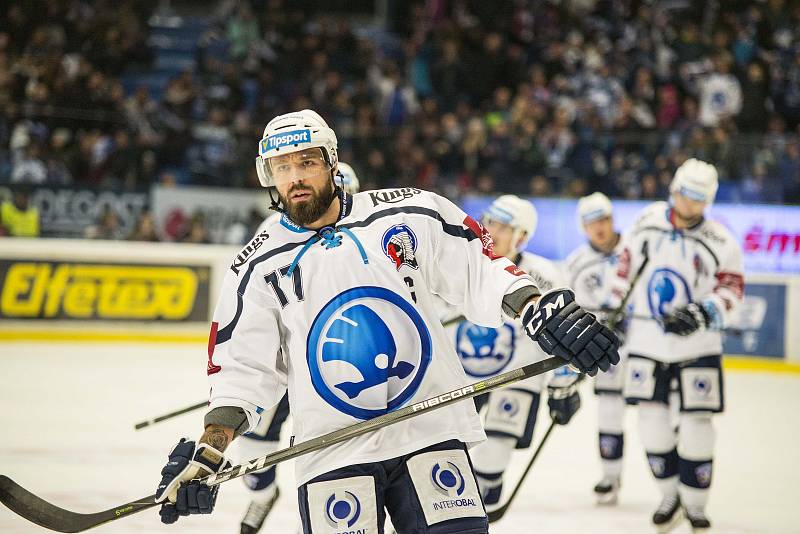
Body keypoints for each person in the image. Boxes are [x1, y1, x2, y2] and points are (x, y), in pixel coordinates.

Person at [153, 109, 619, 534]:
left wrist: (537, 307)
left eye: (307, 162)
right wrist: (210, 451)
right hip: (332, 449)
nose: (295, 178)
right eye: (282, 167)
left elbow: (480, 269)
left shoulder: (408, 212)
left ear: (333, 163)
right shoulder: (256, 265)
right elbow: (242, 370)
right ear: (267, 175)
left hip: (429, 431)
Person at [612, 159, 744, 532]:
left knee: (697, 426)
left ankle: (696, 502)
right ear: (674, 190)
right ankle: (669, 495)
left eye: (700, 199)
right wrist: (615, 307)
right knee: (651, 423)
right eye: (686, 195)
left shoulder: (721, 240)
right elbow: (623, 270)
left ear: (709, 201)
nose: (691, 205)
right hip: (647, 343)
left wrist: (704, 312)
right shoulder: (646, 222)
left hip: (698, 347)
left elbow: (732, 289)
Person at [237, 160, 361, 534]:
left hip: (336, 363)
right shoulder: (271, 234)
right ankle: (262, 496)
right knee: (253, 453)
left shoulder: (365, 229)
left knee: (338, 451)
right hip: (283, 362)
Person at [440, 195, 581, 513]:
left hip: (516, 377)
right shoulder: (459, 262)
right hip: (459, 379)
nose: (493, 231)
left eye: (505, 227)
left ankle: (477, 515)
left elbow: (560, 332)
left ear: (524, 236)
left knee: (495, 453)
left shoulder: (544, 276)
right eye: (491, 222)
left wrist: (563, 382)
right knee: (446, 454)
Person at [564, 192, 628, 505]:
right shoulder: (576, 263)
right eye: (591, 223)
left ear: (612, 219)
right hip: (607, 351)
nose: (599, 228)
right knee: (609, 411)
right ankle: (610, 476)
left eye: (603, 219)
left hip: (644, 346)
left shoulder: (636, 250)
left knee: (660, 415)